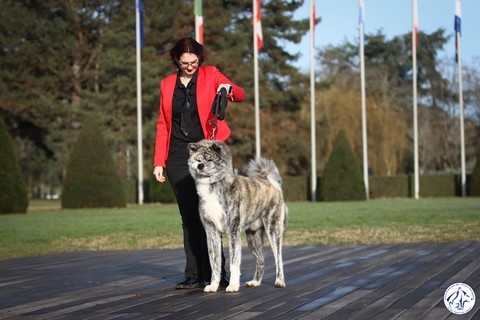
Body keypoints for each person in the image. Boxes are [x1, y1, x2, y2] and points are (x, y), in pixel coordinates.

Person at [153, 37, 245, 289]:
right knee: (190, 215)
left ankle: (219, 274)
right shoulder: (166, 84)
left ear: (200, 60)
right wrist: (159, 161)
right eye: (185, 63)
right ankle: (194, 274)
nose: (190, 66)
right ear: (176, 61)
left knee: (216, 214)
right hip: (177, 154)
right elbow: (163, 124)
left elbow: (240, 94)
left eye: (194, 62)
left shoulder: (211, 74)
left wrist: (227, 88)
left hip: (207, 153)